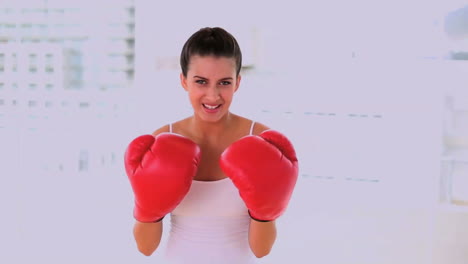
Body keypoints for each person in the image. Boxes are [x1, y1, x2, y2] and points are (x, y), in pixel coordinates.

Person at [124, 27, 299, 264]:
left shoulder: (262, 141)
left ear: (237, 83)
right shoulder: (163, 140)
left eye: (224, 82)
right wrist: (148, 210)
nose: (213, 95)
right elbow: (146, 247)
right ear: (184, 81)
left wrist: (265, 213)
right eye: (201, 82)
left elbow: (261, 249)